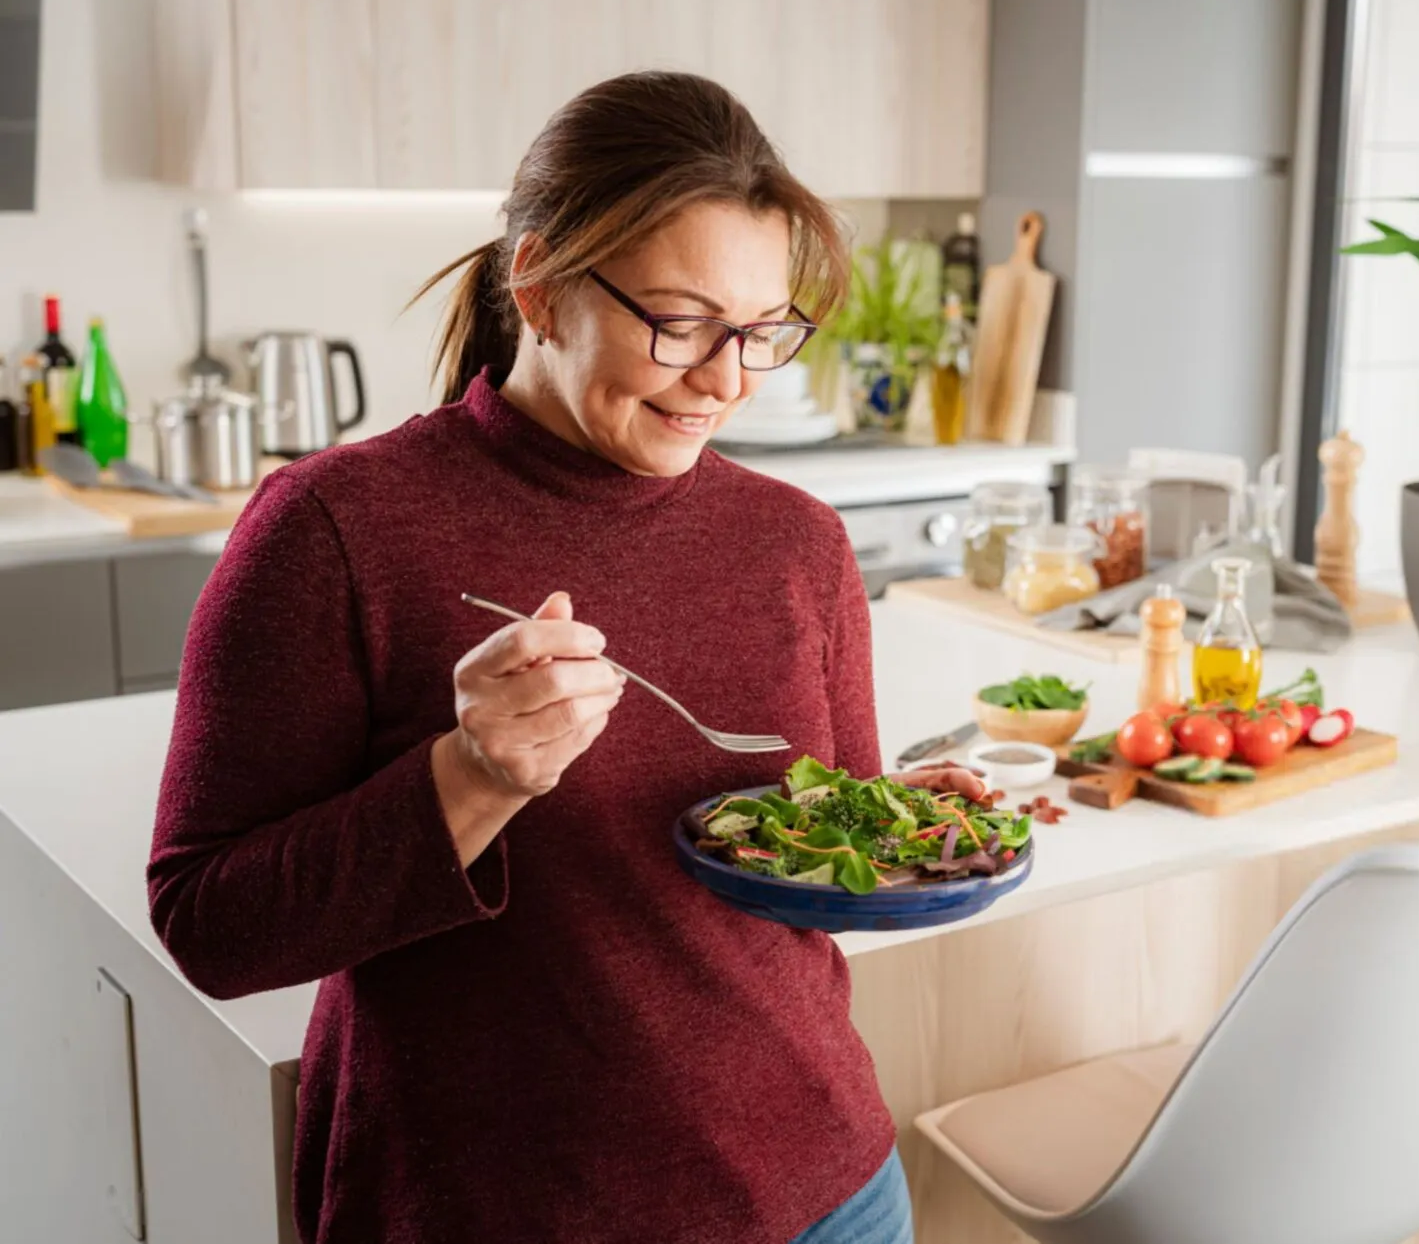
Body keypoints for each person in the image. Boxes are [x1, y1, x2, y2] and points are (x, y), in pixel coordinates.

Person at [147, 71, 979, 1244]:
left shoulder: (798, 540)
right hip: (499, 1207)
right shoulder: (337, 527)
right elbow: (210, 927)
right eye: (681, 324)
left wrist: (896, 830)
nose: (727, 378)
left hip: (823, 1191)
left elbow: (804, 863)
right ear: (538, 288)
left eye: (763, 332)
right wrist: (470, 780)